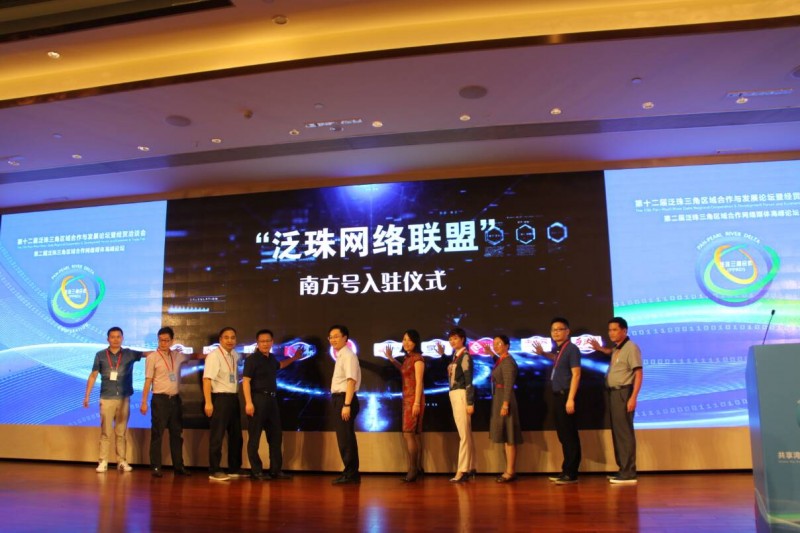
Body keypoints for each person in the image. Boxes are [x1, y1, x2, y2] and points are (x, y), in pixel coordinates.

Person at [242, 329, 304, 481]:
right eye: (262, 341)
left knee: (276, 436)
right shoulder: (252, 360)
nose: (265, 344)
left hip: (272, 400)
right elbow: (246, 382)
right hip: (257, 399)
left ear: (272, 342)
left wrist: (294, 358)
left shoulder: (271, 358)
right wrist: (249, 402)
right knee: (255, 436)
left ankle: (275, 470)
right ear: (257, 343)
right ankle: (256, 471)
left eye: (268, 341)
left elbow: (280, 365)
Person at [83, 326, 146, 473]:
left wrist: (165, 350)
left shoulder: (129, 353)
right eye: (112, 337)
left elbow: (146, 354)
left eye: (118, 337)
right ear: (108, 339)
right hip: (107, 398)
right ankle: (103, 461)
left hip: (124, 399)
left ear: (122, 338)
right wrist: (87, 395)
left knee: (121, 432)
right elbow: (93, 375)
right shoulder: (100, 355)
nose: (116, 339)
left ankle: (122, 461)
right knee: (105, 432)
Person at [590, 317, 643, 484]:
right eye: (609, 330)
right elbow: (611, 353)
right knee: (618, 433)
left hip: (624, 393)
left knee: (624, 433)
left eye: (614, 330)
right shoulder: (617, 348)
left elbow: (639, 373)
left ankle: (628, 472)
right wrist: (600, 349)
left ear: (624, 330)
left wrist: (633, 397)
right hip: (614, 394)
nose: (611, 333)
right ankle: (623, 469)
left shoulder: (631, 347)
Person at [534, 317, 582, 485]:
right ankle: (566, 470)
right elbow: (557, 360)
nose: (556, 332)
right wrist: (543, 354)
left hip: (566, 395)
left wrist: (570, 399)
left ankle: (571, 473)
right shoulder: (561, 350)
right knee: (563, 435)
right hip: (558, 396)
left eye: (559, 329)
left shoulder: (572, 349)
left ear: (567, 331)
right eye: (553, 330)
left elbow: (576, 374)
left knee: (569, 435)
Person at [140, 326, 192, 478]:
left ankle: (179, 467)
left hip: (175, 400)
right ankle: (156, 466)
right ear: (158, 340)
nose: (164, 343)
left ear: (172, 341)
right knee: (157, 434)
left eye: (167, 340)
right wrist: (144, 402)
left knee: (177, 434)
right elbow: (148, 380)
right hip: (160, 400)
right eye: (161, 340)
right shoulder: (152, 357)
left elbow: (193, 356)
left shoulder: (177, 356)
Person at [203, 326, 244, 482]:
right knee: (217, 436)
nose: (230, 340)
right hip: (219, 399)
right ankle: (214, 470)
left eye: (232, 337)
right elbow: (207, 380)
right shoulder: (214, 356)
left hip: (233, 398)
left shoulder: (235, 355)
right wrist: (208, 402)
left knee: (236, 436)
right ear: (220, 340)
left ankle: (234, 468)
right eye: (226, 337)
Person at [384, 329, 425, 482]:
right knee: (414, 435)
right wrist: (391, 359)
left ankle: (412, 470)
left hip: (414, 400)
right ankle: (418, 468)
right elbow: (403, 370)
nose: (406, 342)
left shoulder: (418, 359)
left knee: (409, 434)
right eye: (404, 339)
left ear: (415, 342)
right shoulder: (408, 358)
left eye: (409, 340)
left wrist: (416, 403)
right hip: (407, 399)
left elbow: (419, 382)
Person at [436, 327, 476, 483]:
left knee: (464, 435)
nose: (452, 341)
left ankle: (462, 470)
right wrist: (443, 355)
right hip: (454, 394)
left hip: (461, 395)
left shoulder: (465, 356)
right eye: (450, 339)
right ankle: (470, 467)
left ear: (462, 339)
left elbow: (469, 380)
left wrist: (470, 402)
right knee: (466, 434)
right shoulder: (455, 356)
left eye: (455, 338)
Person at [329, 324, 362, 485]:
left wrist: (347, 404)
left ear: (345, 338)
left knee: (346, 439)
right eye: (331, 337)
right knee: (345, 438)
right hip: (340, 399)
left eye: (336, 336)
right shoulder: (341, 355)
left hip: (345, 399)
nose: (333, 339)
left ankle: (351, 473)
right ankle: (350, 472)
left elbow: (351, 381)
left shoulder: (348, 355)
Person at [487, 335, 522, 482]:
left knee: (510, 436)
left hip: (504, 399)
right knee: (505, 435)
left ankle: (510, 471)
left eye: (499, 343)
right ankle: (508, 469)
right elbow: (499, 364)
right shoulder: (502, 359)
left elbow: (508, 384)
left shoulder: (508, 362)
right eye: (494, 343)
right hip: (500, 398)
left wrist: (505, 403)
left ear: (507, 345)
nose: (496, 346)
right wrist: (491, 354)